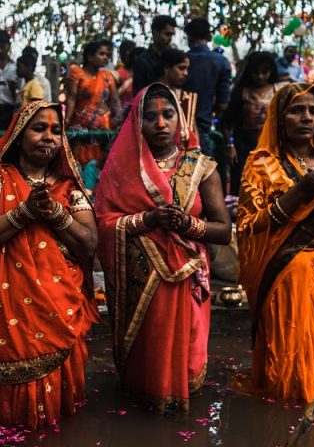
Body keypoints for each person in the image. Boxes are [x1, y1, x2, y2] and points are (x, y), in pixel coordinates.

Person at [95, 83, 231, 414]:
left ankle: (178, 395)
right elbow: (103, 223)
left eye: (168, 115)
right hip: (141, 278)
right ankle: (145, 396)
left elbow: (224, 230)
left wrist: (188, 226)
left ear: (181, 120)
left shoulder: (201, 167)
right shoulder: (121, 170)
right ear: (136, 123)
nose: (160, 124)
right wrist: (150, 219)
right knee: (148, 349)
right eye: (150, 117)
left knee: (187, 346)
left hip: (187, 274)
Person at [0, 100, 99, 428]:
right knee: (14, 416)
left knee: (61, 413)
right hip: (12, 304)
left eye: (56, 130)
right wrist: (23, 213)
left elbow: (89, 244)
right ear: (18, 135)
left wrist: (55, 213)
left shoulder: (70, 188)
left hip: (61, 301)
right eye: (38, 128)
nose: (48, 137)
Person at [237, 82, 314, 401]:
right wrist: (298, 194)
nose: (306, 117)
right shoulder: (260, 164)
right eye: (296, 110)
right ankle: (279, 420)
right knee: (284, 363)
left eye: (313, 111)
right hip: (280, 278)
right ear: (279, 117)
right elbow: (249, 226)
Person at [222, 51, 280, 195]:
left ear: (271, 72)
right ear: (250, 72)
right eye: (256, 72)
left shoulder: (278, 91)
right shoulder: (241, 92)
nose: (260, 76)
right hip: (244, 147)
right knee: (244, 186)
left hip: (271, 147)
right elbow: (225, 122)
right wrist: (230, 145)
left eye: (264, 72)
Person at [65, 39, 121, 166]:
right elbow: (72, 98)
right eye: (101, 54)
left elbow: (115, 100)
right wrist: (66, 120)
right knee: (77, 159)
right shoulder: (77, 73)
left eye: (107, 55)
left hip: (102, 126)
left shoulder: (107, 76)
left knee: (98, 161)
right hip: (80, 124)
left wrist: (119, 120)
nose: (106, 58)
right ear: (90, 57)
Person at [184, 18, 232, 155]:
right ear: (209, 36)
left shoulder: (181, 61)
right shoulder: (221, 62)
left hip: (177, 126)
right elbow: (223, 104)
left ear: (189, 37)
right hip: (203, 126)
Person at [132, 15, 177, 93]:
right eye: (167, 34)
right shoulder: (142, 61)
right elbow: (138, 93)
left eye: (172, 35)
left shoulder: (172, 58)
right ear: (155, 33)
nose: (170, 39)